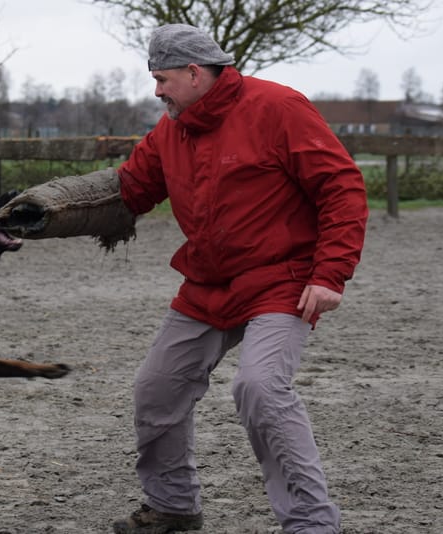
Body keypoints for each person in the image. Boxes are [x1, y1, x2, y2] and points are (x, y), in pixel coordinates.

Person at [110, 24, 368, 534]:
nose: (156, 91)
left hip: (282, 280)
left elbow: (341, 185)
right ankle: (173, 507)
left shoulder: (278, 108)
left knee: (260, 389)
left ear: (194, 72)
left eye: (161, 79)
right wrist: (40, 210)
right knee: (156, 390)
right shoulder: (172, 129)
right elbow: (129, 190)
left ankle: (312, 524)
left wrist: (331, 274)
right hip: (207, 285)